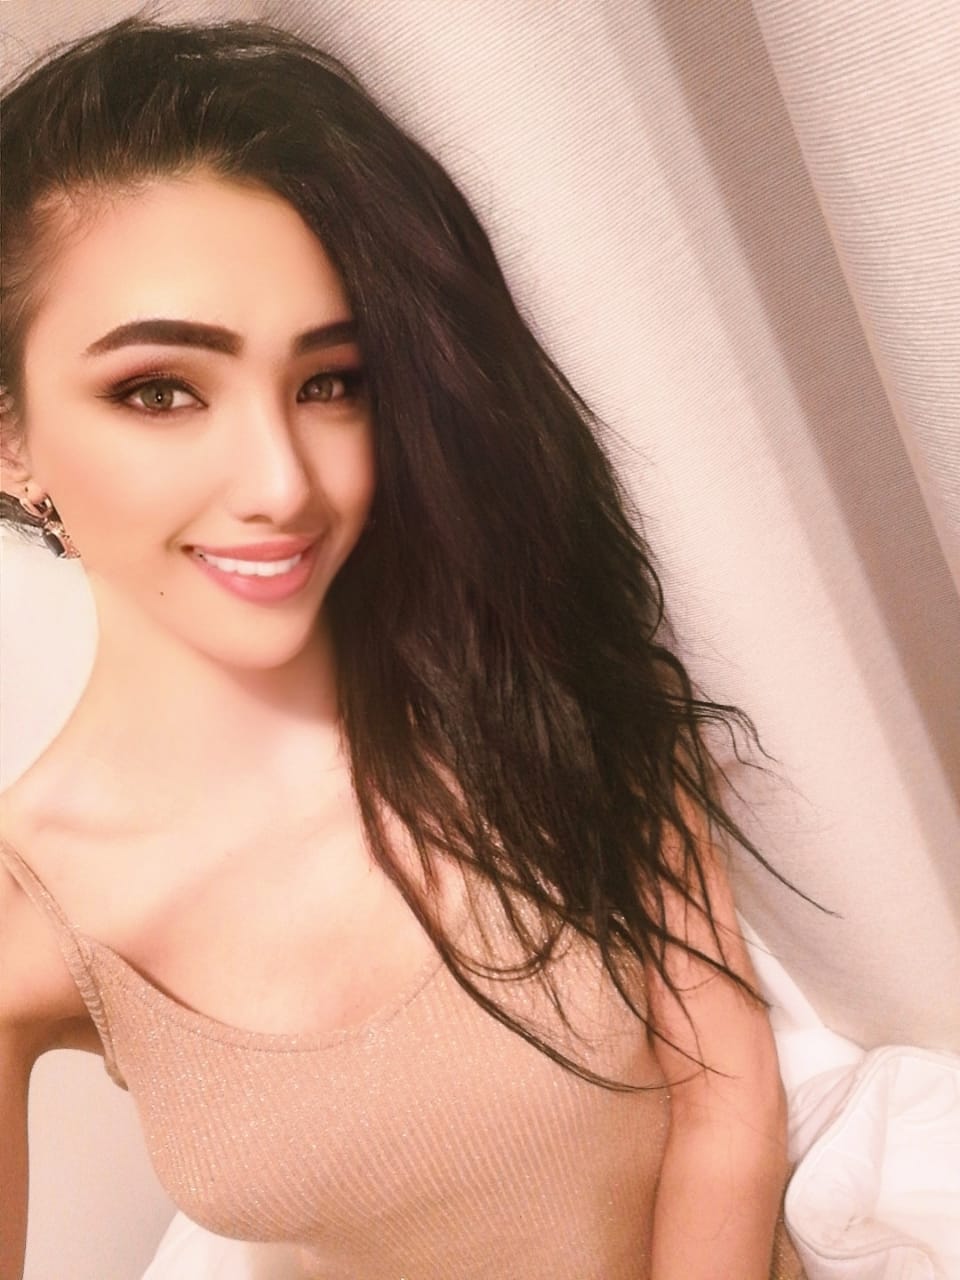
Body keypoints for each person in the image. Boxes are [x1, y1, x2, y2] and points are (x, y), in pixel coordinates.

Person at [0, 15, 806, 1279]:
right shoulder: (26, 905)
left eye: (331, 381)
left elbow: (727, 1104)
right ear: (11, 437)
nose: (282, 481)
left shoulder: (531, 678)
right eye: (161, 389)